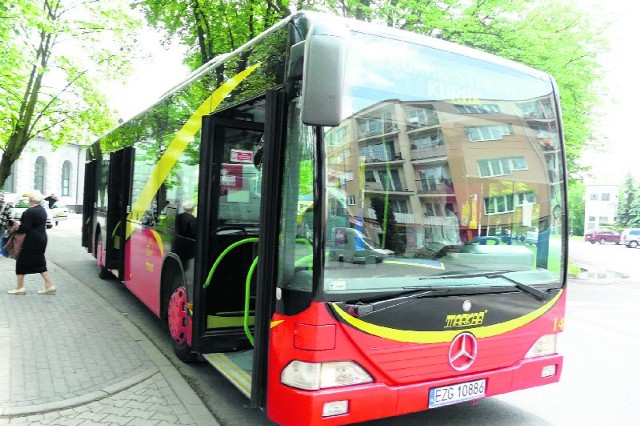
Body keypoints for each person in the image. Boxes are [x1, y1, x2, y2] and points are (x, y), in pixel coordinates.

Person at [7, 190, 56, 295]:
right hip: (42, 238)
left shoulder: (29, 212)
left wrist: (15, 227)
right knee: (39, 261)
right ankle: (49, 285)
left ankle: (20, 288)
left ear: (31, 200)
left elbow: (25, 228)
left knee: (21, 261)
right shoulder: (42, 210)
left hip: (31, 240)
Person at [173, 200, 197, 270]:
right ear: (193, 208)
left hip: (177, 243)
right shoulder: (194, 220)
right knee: (183, 266)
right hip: (187, 246)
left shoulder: (178, 216)